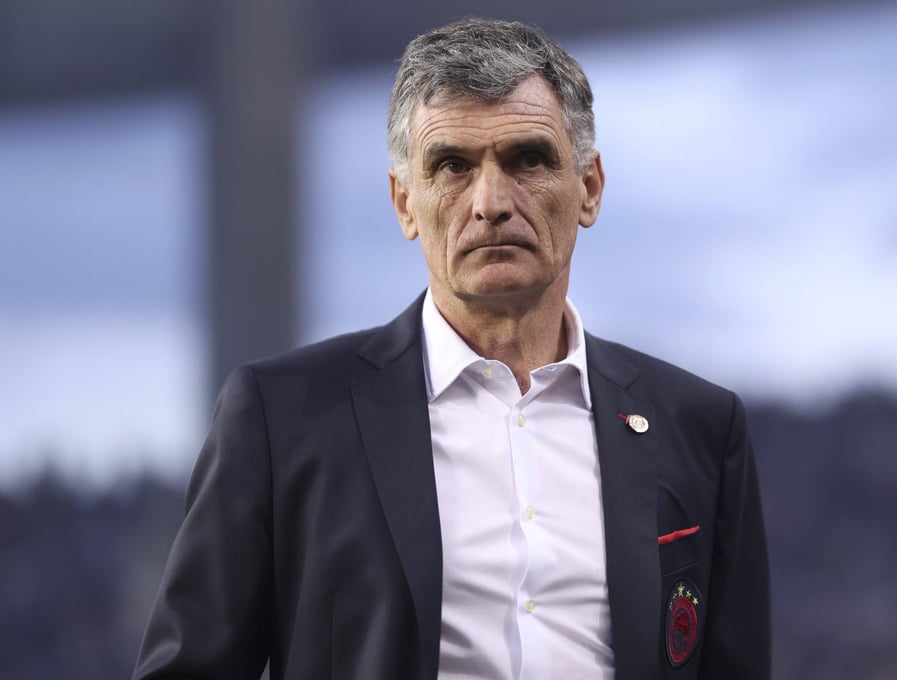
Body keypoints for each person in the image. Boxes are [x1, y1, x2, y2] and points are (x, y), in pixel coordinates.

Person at [134, 17, 769, 680]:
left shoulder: (700, 426)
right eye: (452, 166)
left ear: (589, 187)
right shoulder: (282, 419)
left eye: (528, 159)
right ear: (404, 203)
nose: (491, 202)